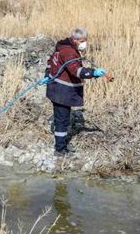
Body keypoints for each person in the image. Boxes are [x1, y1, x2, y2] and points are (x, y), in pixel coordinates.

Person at [45, 28, 110, 156]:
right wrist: (94, 73)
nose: (84, 43)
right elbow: (77, 71)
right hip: (61, 91)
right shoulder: (69, 51)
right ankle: (60, 149)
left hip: (58, 89)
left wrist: (48, 74)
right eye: (82, 41)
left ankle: (62, 145)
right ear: (75, 40)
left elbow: (50, 62)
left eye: (85, 41)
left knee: (62, 119)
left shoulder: (62, 47)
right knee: (62, 120)